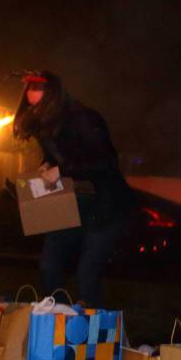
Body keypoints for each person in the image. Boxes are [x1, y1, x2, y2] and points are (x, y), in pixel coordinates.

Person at [12, 71, 136, 308]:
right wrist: (46, 165)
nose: (30, 93)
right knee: (49, 265)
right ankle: (59, 319)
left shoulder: (82, 118)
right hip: (73, 203)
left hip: (107, 206)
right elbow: (55, 156)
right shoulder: (44, 123)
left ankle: (92, 334)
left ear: (52, 93)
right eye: (28, 88)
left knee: (88, 273)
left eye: (37, 87)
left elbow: (105, 161)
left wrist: (61, 170)